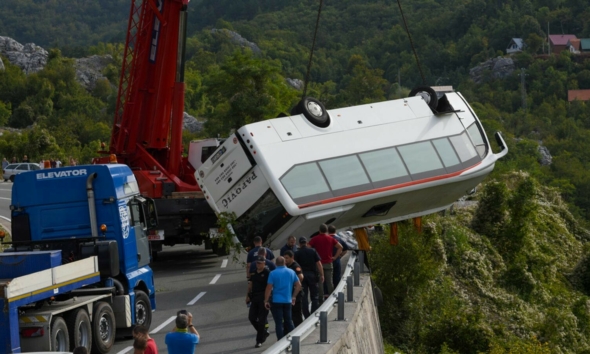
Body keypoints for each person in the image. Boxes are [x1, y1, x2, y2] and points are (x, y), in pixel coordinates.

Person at [264, 256, 301, 340]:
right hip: (288, 300)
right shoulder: (291, 272)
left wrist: (266, 300)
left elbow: (269, 288)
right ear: (285, 263)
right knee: (289, 321)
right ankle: (294, 339)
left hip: (276, 301)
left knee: (279, 323)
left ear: (276, 264)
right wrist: (294, 296)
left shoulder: (272, 273)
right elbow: (298, 285)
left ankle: (280, 341)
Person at [309, 224, 342, 302]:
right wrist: (335, 257)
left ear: (319, 230)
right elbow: (340, 247)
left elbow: (308, 247)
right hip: (328, 262)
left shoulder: (315, 239)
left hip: (318, 264)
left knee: (320, 282)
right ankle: (332, 298)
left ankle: (321, 298)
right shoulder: (330, 238)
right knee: (329, 281)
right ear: (327, 230)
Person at [294, 236, 323, 317]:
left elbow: (295, 266)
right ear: (306, 243)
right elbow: (319, 264)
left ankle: (306, 315)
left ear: (299, 244)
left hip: (302, 276)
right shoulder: (313, 251)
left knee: (304, 296)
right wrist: (322, 274)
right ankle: (314, 313)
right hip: (312, 275)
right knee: (314, 295)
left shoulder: (297, 253)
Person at [247, 255, 271, 348]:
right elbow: (250, 284)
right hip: (255, 297)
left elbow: (269, 286)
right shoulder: (253, 273)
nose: (258, 264)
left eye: (260, 263)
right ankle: (264, 332)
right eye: (257, 262)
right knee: (252, 317)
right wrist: (247, 296)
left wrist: (267, 299)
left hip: (264, 297)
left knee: (261, 320)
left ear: (264, 263)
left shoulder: (267, 273)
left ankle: (259, 340)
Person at [283, 250, 304, 327]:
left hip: (296, 294)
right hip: (289, 293)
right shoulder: (286, 266)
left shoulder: (295, 266)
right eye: (284, 258)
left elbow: (301, 277)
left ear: (292, 258)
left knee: (297, 314)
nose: (285, 260)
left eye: (287, 258)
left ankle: (299, 329)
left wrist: (293, 284)